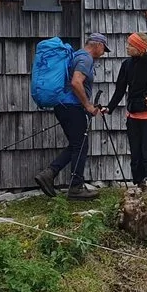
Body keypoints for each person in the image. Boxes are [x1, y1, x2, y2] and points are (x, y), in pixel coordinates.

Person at [33, 33, 109, 200]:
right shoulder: (86, 59)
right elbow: (76, 82)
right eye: (104, 48)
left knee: (77, 145)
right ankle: (75, 187)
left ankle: (49, 174)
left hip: (63, 106)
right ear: (97, 45)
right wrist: (88, 105)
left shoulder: (76, 56)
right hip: (72, 107)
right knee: (80, 145)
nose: (103, 53)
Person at [103, 32, 147, 191]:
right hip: (133, 115)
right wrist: (109, 108)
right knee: (136, 152)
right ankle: (140, 183)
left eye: (130, 45)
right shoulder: (126, 65)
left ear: (139, 48)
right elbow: (120, 90)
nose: (127, 47)